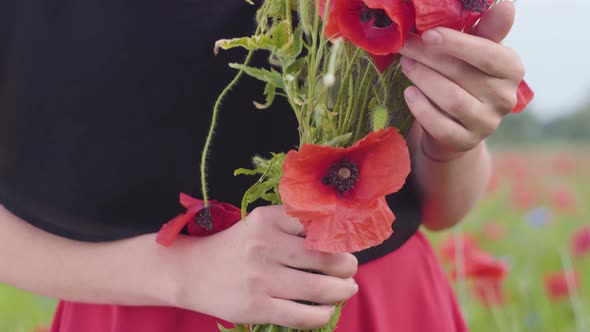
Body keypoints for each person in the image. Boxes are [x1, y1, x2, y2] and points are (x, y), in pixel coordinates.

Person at [0, 0, 524, 331]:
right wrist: (179, 273)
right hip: (129, 302)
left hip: (370, 300)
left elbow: (438, 209)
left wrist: (453, 136)